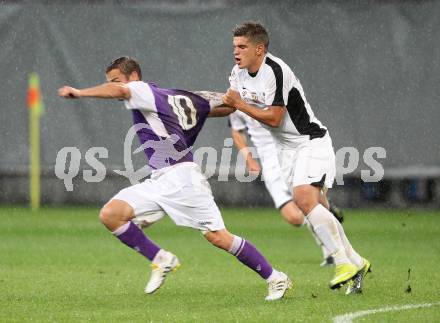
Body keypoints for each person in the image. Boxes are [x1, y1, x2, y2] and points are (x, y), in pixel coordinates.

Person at [58, 56, 292, 301]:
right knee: (111, 214)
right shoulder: (175, 96)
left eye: (116, 80)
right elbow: (225, 106)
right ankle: (161, 259)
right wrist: (239, 99)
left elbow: (121, 90)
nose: (113, 86)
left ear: (134, 77)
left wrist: (80, 92)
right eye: (110, 82)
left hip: (183, 178)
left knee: (218, 237)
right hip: (160, 178)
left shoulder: (140, 89)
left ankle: (275, 277)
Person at [222, 22, 370, 294]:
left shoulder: (275, 70)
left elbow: (275, 118)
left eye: (242, 46)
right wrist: (200, 107)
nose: (236, 52)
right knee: (317, 206)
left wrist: (239, 104)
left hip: (310, 141)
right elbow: (229, 107)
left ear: (259, 48)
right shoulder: (238, 74)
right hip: (286, 151)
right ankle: (357, 262)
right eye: (234, 46)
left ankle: (341, 263)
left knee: (304, 199)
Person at [229, 109, 344, 267]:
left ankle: (332, 253)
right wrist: (249, 160)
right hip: (270, 164)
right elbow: (236, 131)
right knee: (295, 218)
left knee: (306, 204)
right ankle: (325, 209)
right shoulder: (236, 98)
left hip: (291, 155)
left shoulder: (273, 91)